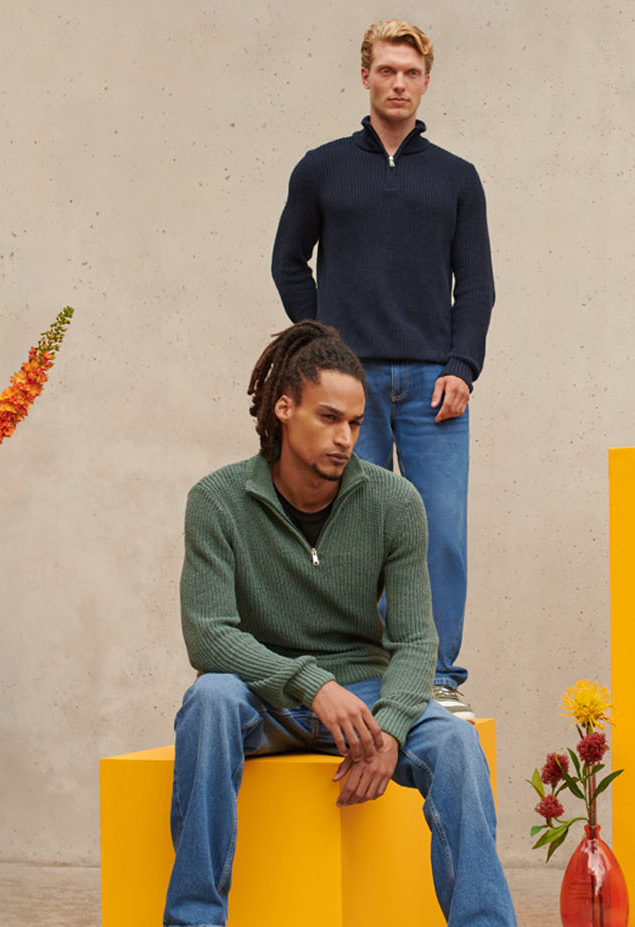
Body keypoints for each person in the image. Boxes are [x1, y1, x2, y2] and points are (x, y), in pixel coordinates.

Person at [159, 321, 530, 927]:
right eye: (330, 417)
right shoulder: (218, 500)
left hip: (364, 692)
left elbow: (418, 639)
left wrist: (390, 727)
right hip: (265, 691)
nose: (345, 436)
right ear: (283, 408)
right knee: (207, 699)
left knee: (454, 745)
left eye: (356, 422)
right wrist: (306, 682)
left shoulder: (393, 503)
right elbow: (208, 635)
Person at [272, 19, 492, 722]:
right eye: (386, 71)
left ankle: (438, 677)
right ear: (365, 75)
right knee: (346, 533)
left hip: (435, 386)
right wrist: (322, 351)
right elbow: (288, 261)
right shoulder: (322, 167)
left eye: (411, 73)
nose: (398, 84)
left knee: (440, 534)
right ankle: (358, 669)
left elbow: (477, 285)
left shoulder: (456, 178)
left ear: (426, 82)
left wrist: (463, 366)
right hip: (349, 388)